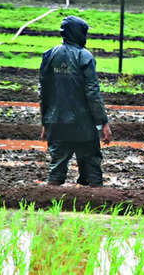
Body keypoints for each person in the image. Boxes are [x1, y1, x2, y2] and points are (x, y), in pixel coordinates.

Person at [39, 15, 112, 187]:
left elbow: (44, 92)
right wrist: (103, 123)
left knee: (56, 170)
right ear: (78, 34)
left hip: (56, 123)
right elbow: (92, 93)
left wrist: (45, 123)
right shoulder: (84, 56)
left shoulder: (49, 55)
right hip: (83, 125)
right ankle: (97, 208)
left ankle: (50, 207)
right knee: (92, 170)